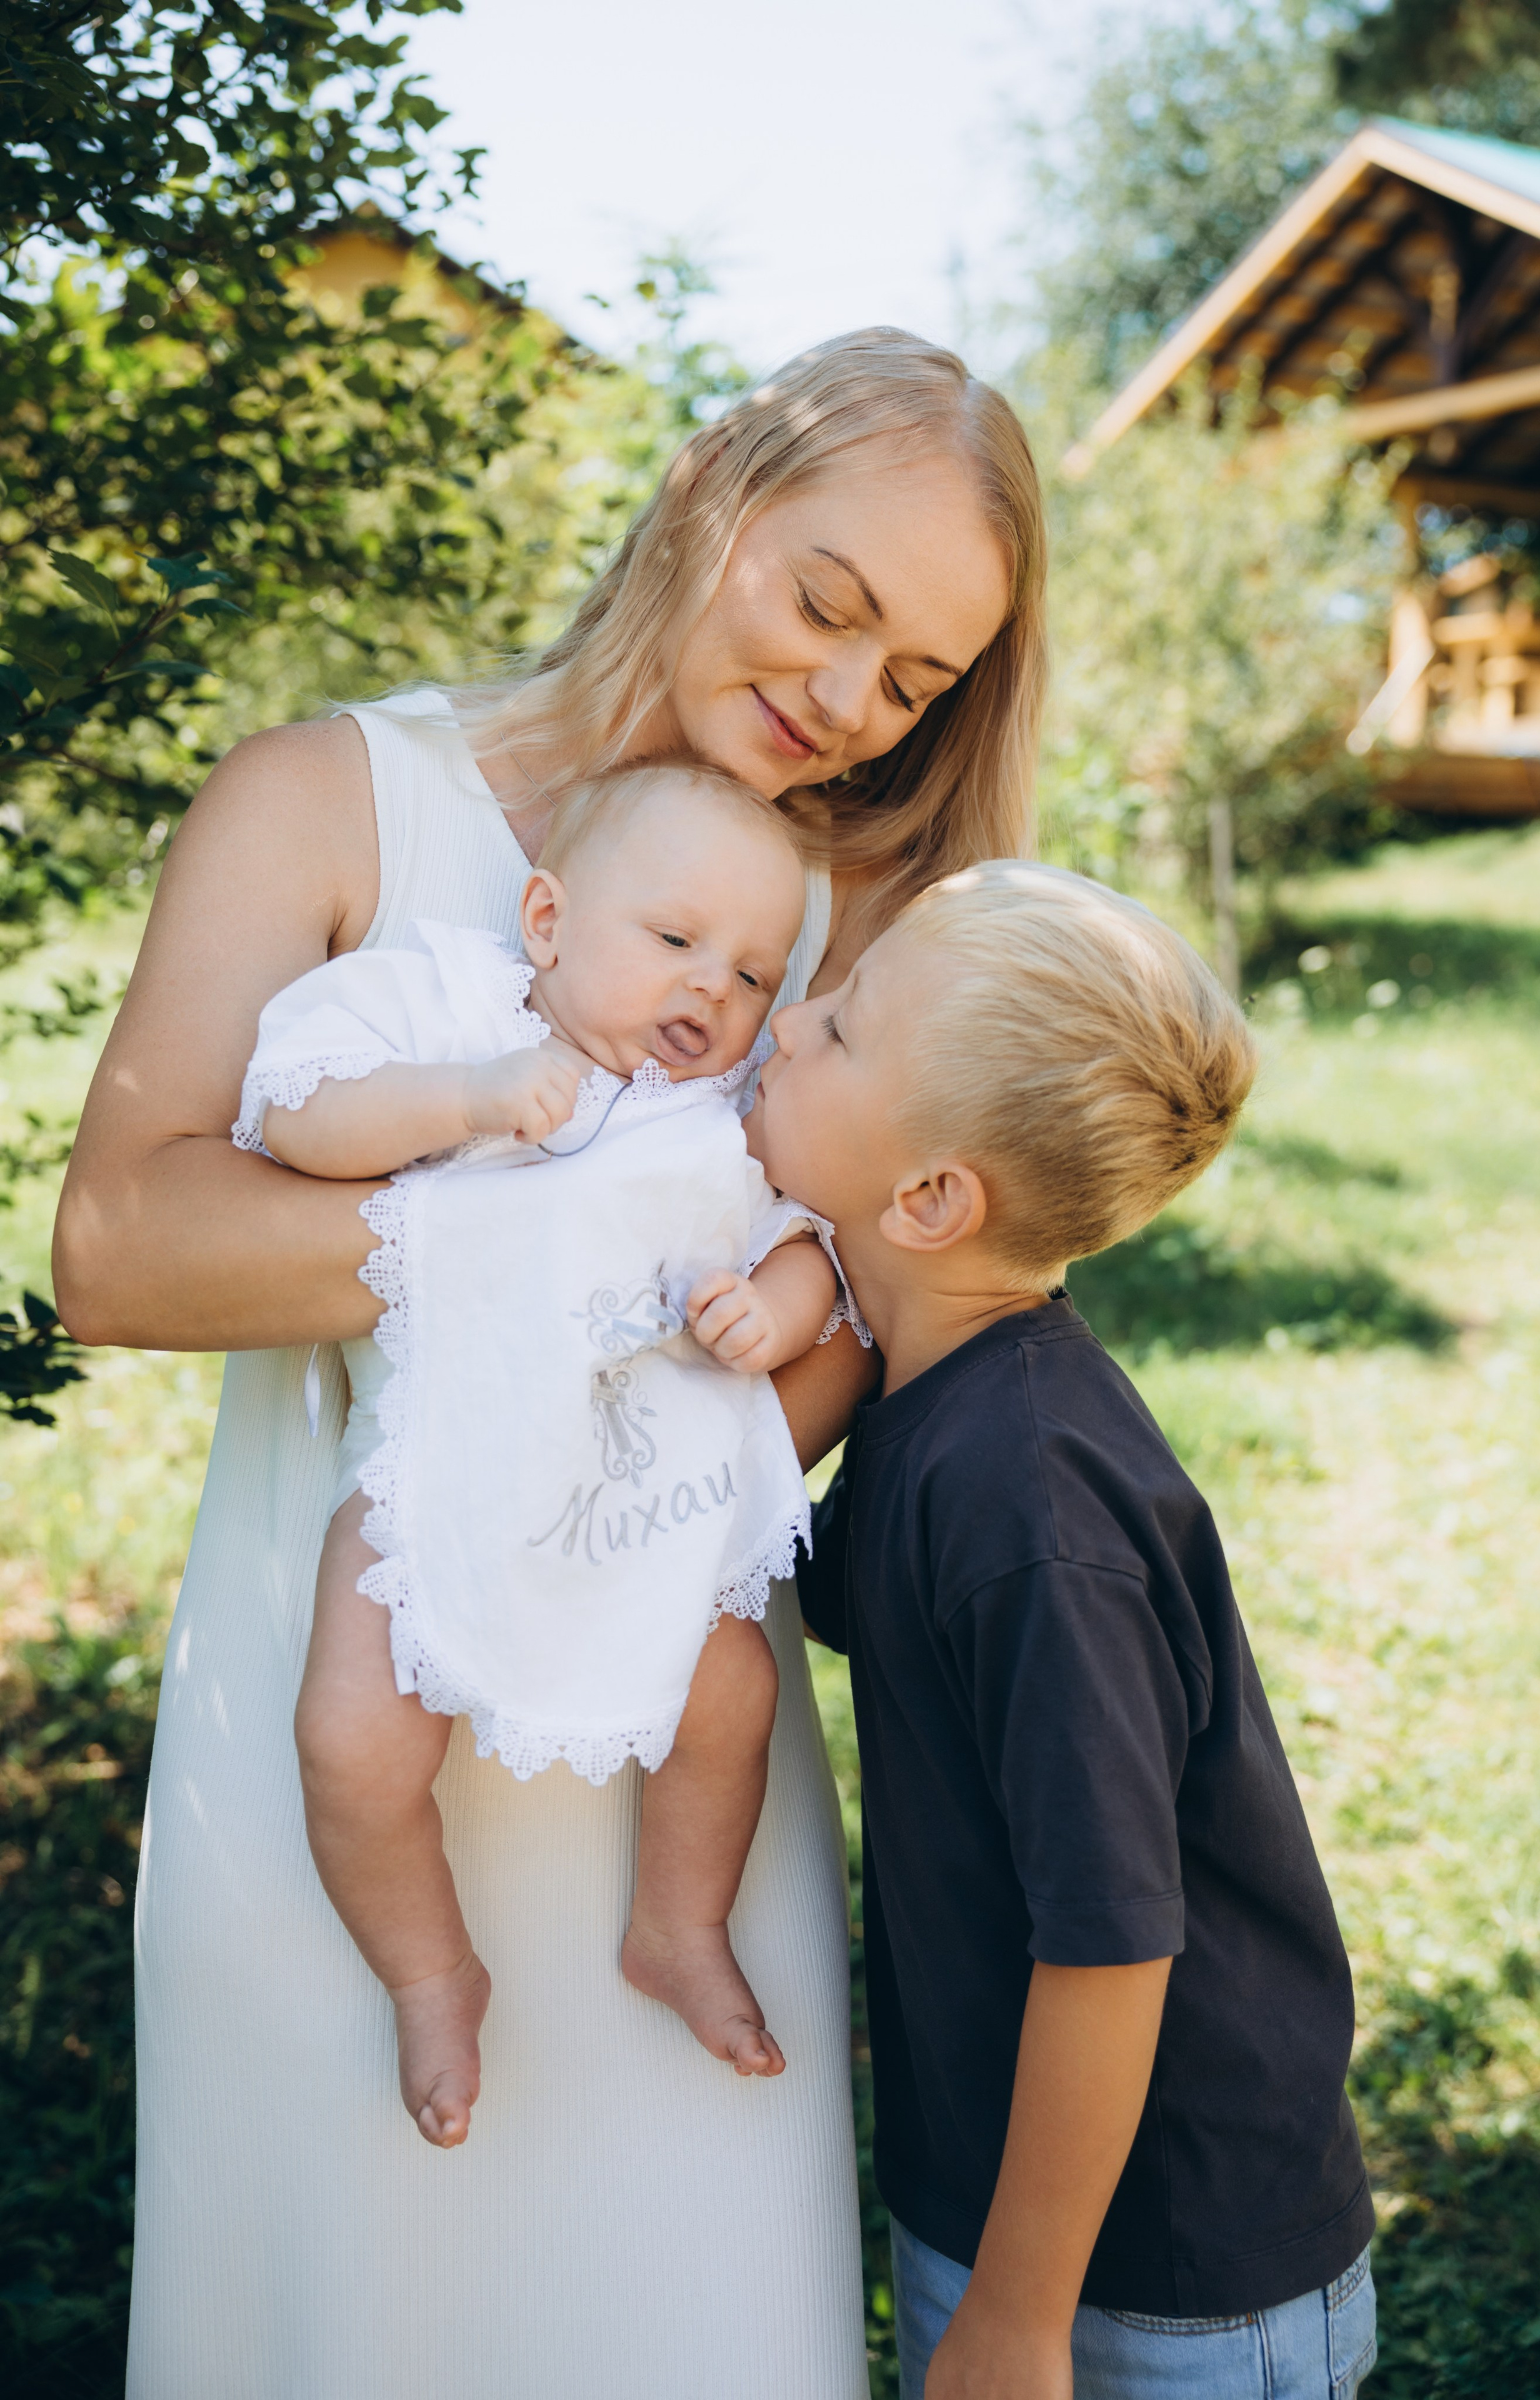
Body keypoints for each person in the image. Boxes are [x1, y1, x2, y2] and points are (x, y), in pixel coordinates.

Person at [52, 328, 1046, 2400]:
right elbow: (121, 1248)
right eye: (829, 605)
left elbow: (854, 1315)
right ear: (710, 490)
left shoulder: (841, 920)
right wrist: (554, 1242)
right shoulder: (328, 800)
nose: (848, 704)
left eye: (914, 679)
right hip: (333, 1756)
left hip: (678, 1790)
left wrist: (734, 1355)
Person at [767, 861, 1378, 2400]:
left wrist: (1023, 2317)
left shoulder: (1027, 1503)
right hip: (1007, 2208)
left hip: (1146, 2276)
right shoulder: (942, 1389)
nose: (787, 1023)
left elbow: (1109, 1940)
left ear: (928, 1198)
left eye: (837, 1028)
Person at [244, 761, 858, 2141]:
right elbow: (295, 1115)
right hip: (448, 1460)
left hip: (637, 1492)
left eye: (756, 973)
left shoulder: (734, 1109)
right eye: (676, 940)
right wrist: (468, 1099)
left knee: (731, 1698)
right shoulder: (453, 1011)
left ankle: (677, 1926)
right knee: (348, 1740)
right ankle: (427, 1970)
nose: (715, 989)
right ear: (545, 920)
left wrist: (775, 1309)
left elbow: (816, 1240)